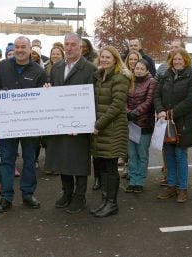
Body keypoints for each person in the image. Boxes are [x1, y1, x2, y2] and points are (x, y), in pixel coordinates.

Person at [0, 36, 46, 213]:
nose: (20, 50)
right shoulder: (3, 66)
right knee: (7, 160)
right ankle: (6, 197)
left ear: (31, 49)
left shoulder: (38, 71)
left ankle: (28, 194)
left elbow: (44, 99)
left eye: (23, 47)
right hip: (9, 123)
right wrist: (4, 95)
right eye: (17, 47)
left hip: (30, 124)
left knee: (29, 160)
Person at [45, 33, 97, 214]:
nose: (69, 48)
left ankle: (79, 197)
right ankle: (67, 193)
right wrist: (48, 92)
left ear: (81, 47)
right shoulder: (57, 67)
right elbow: (53, 93)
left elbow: (93, 99)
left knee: (79, 161)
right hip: (60, 123)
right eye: (66, 44)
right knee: (63, 159)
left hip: (79, 125)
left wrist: (84, 123)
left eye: (73, 44)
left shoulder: (90, 69)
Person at [89, 45, 130, 217]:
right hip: (102, 128)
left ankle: (112, 203)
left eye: (108, 57)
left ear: (115, 59)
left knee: (111, 167)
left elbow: (116, 106)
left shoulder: (120, 78)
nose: (104, 59)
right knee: (104, 167)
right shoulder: (99, 76)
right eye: (102, 57)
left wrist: (98, 124)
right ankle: (105, 200)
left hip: (112, 128)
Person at [154, 48, 192, 203]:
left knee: (180, 155)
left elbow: (191, 100)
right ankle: (171, 185)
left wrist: (172, 112)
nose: (177, 61)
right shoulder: (166, 76)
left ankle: (182, 188)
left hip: (183, 123)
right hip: (166, 122)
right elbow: (157, 95)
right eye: (175, 59)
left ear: (186, 60)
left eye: (180, 59)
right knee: (169, 155)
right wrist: (160, 110)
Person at [125, 59, 157, 194]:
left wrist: (135, 113)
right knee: (131, 154)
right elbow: (123, 99)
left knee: (142, 154)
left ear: (147, 70)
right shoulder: (129, 81)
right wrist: (128, 113)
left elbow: (149, 102)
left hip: (144, 124)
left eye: (141, 68)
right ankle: (132, 179)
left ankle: (140, 181)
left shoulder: (152, 82)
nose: (138, 70)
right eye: (137, 68)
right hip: (130, 123)